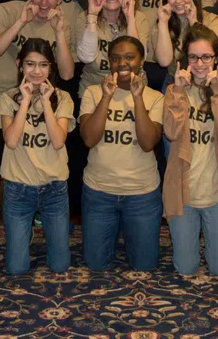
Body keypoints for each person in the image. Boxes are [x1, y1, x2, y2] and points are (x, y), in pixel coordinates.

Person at [0, 0, 75, 215]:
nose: (44, 2)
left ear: (60, 0)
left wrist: (58, 33)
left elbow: (67, 74)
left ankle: (37, 206)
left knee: (38, 147)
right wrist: (21, 22)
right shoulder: (8, 10)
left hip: (35, 95)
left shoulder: (61, 23)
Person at [79, 36, 164, 271]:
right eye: (115, 58)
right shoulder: (94, 93)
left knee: (145, 266)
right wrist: (107, 96)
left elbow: (148, 143)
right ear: (109, 62)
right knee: (95, 264)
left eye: (129, 57)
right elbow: (89, 139)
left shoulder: (155, 97)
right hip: (99, 192)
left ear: (141, 61)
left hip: (141, 194)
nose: (122, 63)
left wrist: (137, 98)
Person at [163, 24, 218, 275]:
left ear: (216, 59)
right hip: (183, 192)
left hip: (217, 191)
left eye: (206, 56)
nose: (199, 64)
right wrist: (178, 92)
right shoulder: (174, 90)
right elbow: (171, 133)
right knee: (185, 268)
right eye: (193, 57)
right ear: (185, 59)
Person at [0, 39, 75, 274]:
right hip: (18, 188)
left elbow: (58, 140)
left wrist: (45, 102)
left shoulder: (63, 98)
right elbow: (11, 140)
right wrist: (26, 101)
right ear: (20, 65)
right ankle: (24, 232)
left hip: (54, 188)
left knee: (60, 266)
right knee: (16, 269)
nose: (37, 71)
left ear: (51, 68)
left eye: (43, 65)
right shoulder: (7, 98)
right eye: (30, 64)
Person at [77, 0, 151, 97]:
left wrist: (130, 18)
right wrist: (92, 15)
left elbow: (139, 58)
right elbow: (86, 57)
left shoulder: (139, 18)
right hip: (94, 89)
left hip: (133, 88)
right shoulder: (84, 18)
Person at [152, 0, 218, 89]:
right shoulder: (161, 24)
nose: (178, 0)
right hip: (175, 81)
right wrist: (163, 22)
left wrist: (194, 23)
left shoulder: (212, 20)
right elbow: (164, 61)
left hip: (207, 82)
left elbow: (217, 56)